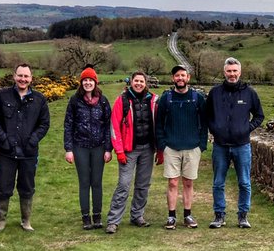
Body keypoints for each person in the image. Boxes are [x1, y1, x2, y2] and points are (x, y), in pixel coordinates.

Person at [0, 64, 50, 232]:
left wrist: (33, 140)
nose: (23, 79)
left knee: (27, 187)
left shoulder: (39, 99)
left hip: (29, 153)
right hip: (6, 152)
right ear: (14, 76)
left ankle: (26, 220)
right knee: (3, 187)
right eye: (20, 75)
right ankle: (1, 220)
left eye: (26, 76)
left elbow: (44, 124)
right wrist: (3, 139)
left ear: (31, 78)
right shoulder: (2, 96)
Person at [205, 56, 264, 229]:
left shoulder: (249, 93)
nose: (232, 74)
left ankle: (243, 216)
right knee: (218, 182)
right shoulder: (215, 93)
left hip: (242, 145)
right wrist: (214, 128)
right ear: (224, 72)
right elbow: (207, 115)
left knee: (244, 182)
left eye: (235, 71)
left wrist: (247, 128)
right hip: (220, 146)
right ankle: (219, 215)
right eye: (229, 71)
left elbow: (259, 115)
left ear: (240, 72)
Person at [106, 70, 158, 233]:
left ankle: (137, 215)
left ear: (146, 83)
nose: (139, 84)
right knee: (123, 184)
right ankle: (113, 220)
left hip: (147, 149)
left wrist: (160, 149)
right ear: (131, 82)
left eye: (142, 81)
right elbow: (114, 126)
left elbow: (159, 124)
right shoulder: (122, 100)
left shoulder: (154, 100)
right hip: (129, 151)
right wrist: (119, 151)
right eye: (136, 81)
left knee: (143, 185)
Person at [156, 64, 207, 229]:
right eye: (177, 76)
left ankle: (187, 215)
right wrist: (162, 145)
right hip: (171, 146)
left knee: (188, 183)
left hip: (192, 147)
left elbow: (204, 123)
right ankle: (171, 216)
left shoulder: (197, 98)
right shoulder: (166, 98)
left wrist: (202, 145)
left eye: (183, 75)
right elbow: (158, 124)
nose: (180, 78)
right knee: (172, 182)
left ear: (188, 78)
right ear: (173, 78)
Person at [63, 67, 112, 230]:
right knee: (84, 182)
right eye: (85, 80)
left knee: (96, 182)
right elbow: (68, 124)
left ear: (95, 82)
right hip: (80, 146)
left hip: (98, 147)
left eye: (91, 80)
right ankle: (86, 217)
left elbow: (107, 126)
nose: (88, 83)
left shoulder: (103, 101)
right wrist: (68, 149)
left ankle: (97, 216)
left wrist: (108, 149)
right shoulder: (75, 101)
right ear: (81, 82)